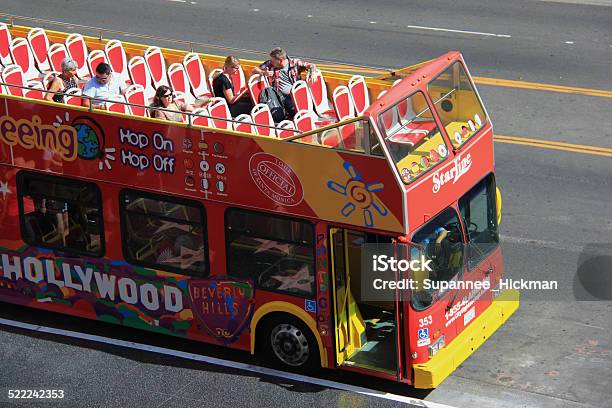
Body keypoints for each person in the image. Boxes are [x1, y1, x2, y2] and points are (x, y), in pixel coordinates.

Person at [253, 47, 316, 119]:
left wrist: (312, 72)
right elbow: (254, 69)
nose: (271, 62)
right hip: (279, 96)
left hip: (294, 95)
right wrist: (263, 72)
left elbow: (311, 65)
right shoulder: (270, 64)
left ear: (280, 61)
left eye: (273, 61)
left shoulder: (294, 63)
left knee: (298, 109)